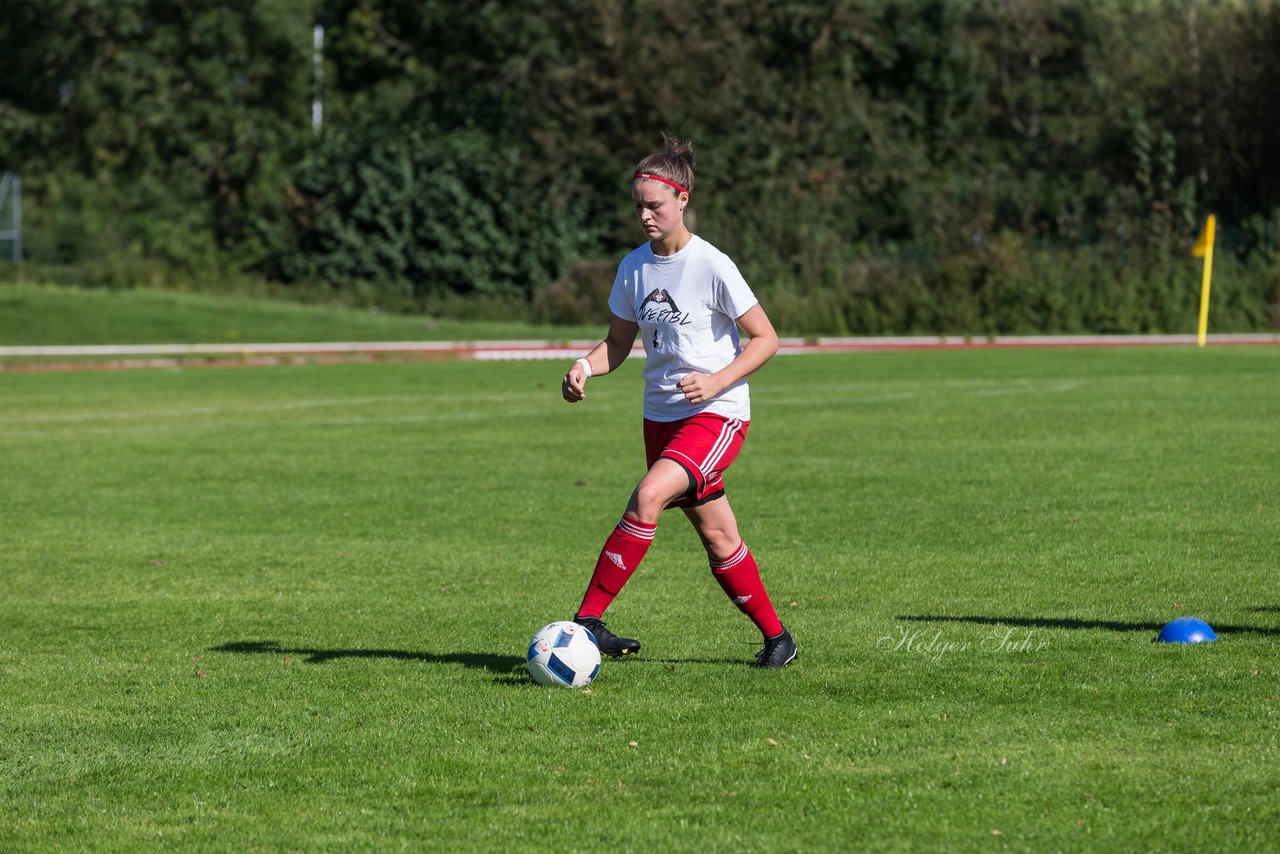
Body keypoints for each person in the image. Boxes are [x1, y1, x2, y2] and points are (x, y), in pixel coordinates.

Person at [560, 137, 797, 668]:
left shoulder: (711, 264)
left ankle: (587, 621)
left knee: (647, 497)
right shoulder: (634, 268)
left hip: (716, 416)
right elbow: (618, 344)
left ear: (683, 199)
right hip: (660, 419)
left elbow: (766, 338)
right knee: (718, 536)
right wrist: (583, 366)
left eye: (655, 206)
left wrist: (716, 383)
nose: (644, 215)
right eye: (638, 205)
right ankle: (779, 639)